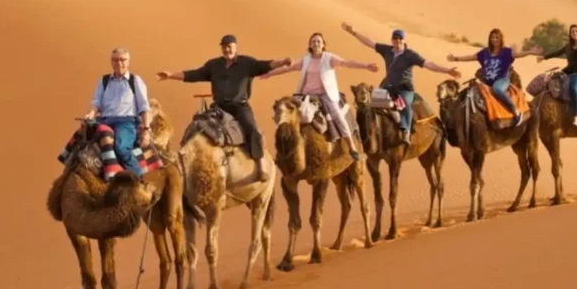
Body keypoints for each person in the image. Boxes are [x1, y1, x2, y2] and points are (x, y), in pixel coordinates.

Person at [155, 34, 292, 181]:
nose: (227, 50)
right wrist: (170, 75)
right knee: (197, 125)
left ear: (235, 47)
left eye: (230, 46)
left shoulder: (247, 63)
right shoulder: (214, 65)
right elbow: (193, 74)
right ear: (221, 48)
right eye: (224, 47)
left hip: (240, 106)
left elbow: (266, 65)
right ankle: (185, 161)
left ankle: (260, 164)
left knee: (252, 129)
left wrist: (283, 62)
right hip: (219, 107)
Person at [258, 32, 379, 161]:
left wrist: (365, 66)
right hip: (306, 96)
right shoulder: (305, 59)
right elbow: (288, 68)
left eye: (318, 41)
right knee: (286, 114)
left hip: (325, 95)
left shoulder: (329, 58)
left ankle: (352, 147)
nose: (316, 43)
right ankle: (283, 150)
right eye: (313, 41)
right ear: (310, 44)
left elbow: (346, 63)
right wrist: (270, 74)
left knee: (338, 115)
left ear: (323, 45)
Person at [341, 22, 461, 148]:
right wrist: (353, 32)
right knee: (370, 102)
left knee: (405, 105)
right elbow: (370, 43)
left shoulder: (410, 55)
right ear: (392, 40)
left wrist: (447, 71)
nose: (397, 40)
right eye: (395, 38)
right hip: (388, 87)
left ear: (403, 41)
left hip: (405, 88)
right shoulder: (387, 50)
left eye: (400, 38)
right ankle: (368, 133)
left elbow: (428, 64)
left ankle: (405, 130)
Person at [84, 47, 152, 176]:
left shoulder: (135, 81)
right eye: (115, 60)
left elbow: (144, 107)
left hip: (126, 122)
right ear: (111, 62)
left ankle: (140, 179)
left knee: (121, 149)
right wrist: (90, 114)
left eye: (122, 60)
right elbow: (96, 103)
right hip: (104, 120)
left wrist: (146, 130)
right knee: (82, 143)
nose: (119, 63)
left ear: (128, 61)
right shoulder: (103, 81)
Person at [447, 28, 541, 117]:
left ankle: (513, 109)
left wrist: (529, 52)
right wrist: (456, 58)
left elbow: (518, 54)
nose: (494, 40)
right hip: (486, 81)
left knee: (497, 89)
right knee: (469, 91)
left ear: (501, 39)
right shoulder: (485, 52)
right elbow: (471, 57)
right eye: (492, 37)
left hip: (502, 80)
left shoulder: (506, 52)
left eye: (497, 37)